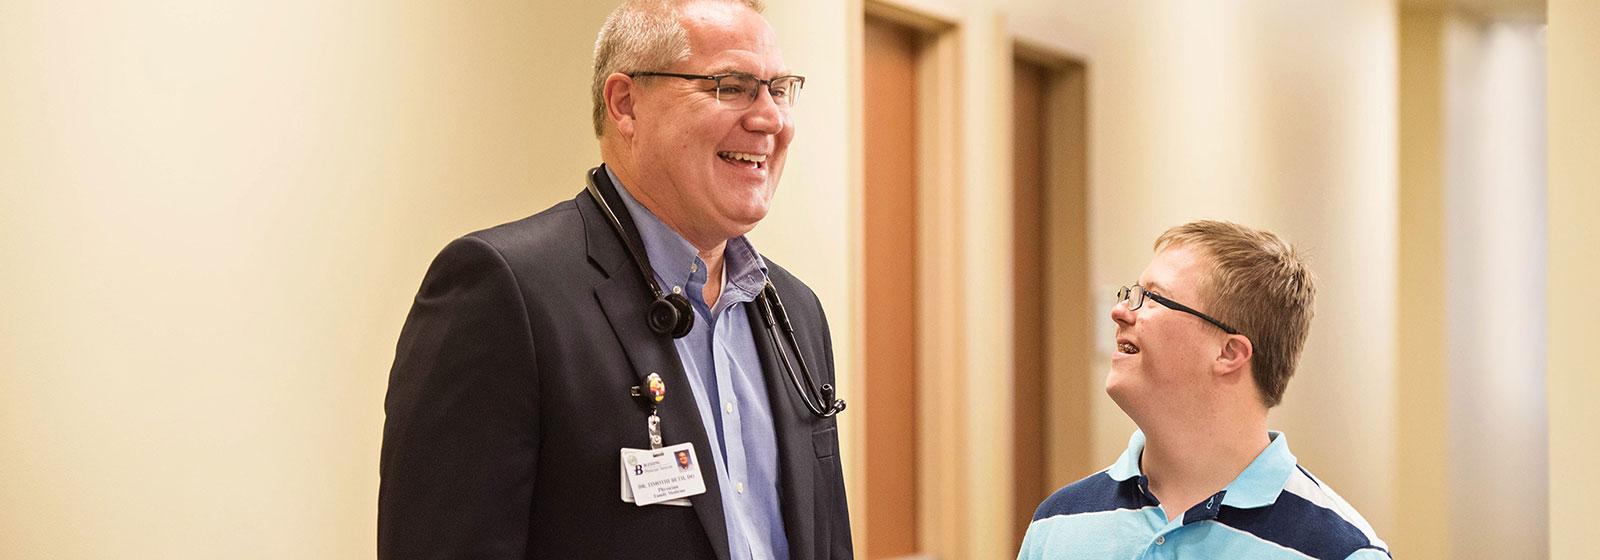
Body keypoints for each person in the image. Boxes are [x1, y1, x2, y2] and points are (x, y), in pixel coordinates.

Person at [377, 1, 852, 558]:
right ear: (626, 104)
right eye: (732, 86)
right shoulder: (506, 293)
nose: (770, 119)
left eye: (779, 89)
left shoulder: (794, 313)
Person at [1018, 221, 1389, 560]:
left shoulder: (1342, 551)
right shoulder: (1056, 523)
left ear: (1229, 353)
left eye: (1154, 298)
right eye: (1132, 293)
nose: (1120, 311)